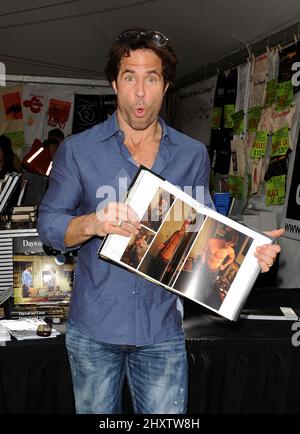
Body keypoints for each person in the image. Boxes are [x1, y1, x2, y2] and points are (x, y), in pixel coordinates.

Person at [37, 28, 283, 414]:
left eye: (151, 78)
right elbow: (49, 224)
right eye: (129, 77)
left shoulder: (192, 155)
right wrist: (93, 223)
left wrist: (249, 253)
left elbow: (201, 239)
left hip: (161, 331)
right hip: (94, 330)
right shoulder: (78, 151)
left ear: (165, 85)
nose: (139, 92)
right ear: (114, 83)